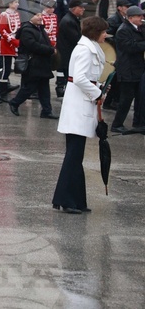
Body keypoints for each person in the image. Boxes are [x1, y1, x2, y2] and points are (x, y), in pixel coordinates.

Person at [51, 15, 108, 214]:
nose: (106, 35)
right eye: (103, 31)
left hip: (82, 104)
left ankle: (76, 199)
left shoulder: (88, 47)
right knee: (73, 155)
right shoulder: (84, 50)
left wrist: (99, 89)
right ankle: (65, 200)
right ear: (95, 32)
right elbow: (80, 78)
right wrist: (97, 93)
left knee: (76, 155)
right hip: (78, 106)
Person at [8, 10, 58, 119]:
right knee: (29, 87)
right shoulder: (27, 30)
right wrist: (49, 50)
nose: (40, 17)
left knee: (44, 88)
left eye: (40, 15)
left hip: (42, 63)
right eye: (37, 15)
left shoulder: (40, 28)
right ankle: (15, 102)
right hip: (33, 63)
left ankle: (46, 111)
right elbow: (32, 45)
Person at [110, 5, 145, 134]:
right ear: (130, 18)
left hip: (137, 68)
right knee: (126, 99)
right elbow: (131, 47)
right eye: (139, 16)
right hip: (127, 69)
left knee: (140, 98)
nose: (142, 18)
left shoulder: (138, 28)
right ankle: (117, 124)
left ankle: (138, 123)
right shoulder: (123, 30)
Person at [56, 0, 85, 100]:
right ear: (74, 8)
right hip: (67, 53)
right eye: (80, 7)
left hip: (69, 53)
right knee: (68, 75)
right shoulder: (68, 21)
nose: (83, 9)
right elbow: (76, 38)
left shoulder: (73, 19)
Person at [0, 0, 23, 92]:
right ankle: (3, 90)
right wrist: (13, 41)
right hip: (6, 44)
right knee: (6, 68)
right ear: (9, 3)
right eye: (15, 2)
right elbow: (2, 31)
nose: (17, 4)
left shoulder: (16, 14)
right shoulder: (4, 15)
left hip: (16, 43)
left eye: (17, 2)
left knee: (22, 65)